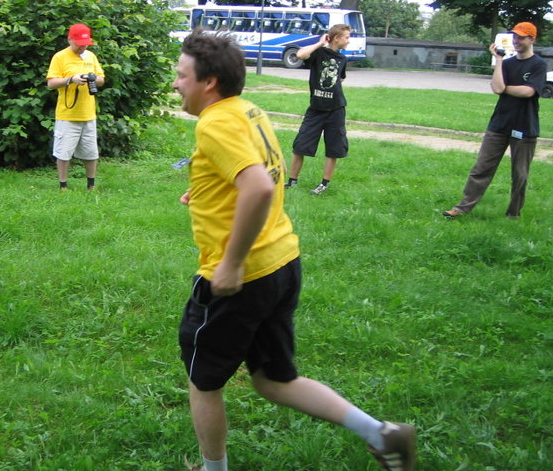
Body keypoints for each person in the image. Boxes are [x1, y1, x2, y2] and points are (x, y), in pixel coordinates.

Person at [174, 28, 416, 471]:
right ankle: (382, 434)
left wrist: (231, 264)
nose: (176, 84)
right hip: (281, 262)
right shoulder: (247, 110)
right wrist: (207, 190)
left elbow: (259, 187)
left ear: (209, 82)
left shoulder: (215, 121)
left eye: (182, 75)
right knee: (273, 379)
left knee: (203, 381)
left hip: (241, 277)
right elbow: (261, 170)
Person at [443, 21, 546, 219]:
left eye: (521, 37)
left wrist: (505, 88)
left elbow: (528, 91)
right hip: (499, 124)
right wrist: (499, 60)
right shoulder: (506, 64)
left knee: (520, 174)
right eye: (514, 37)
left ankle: (513, 214)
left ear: (532, 39)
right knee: (481, 169)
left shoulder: (538, 65)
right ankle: (462, 208)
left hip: (525, 126)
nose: (516, 41)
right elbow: (497, 87)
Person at [284, 24, 351, 195]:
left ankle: (324, 184)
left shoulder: (342, 58)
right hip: (316, 109)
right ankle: (292, 181)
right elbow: (300, 55)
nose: (348, 41)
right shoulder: (318, 53)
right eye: (346, 37)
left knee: (333, 148)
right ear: (337, 38)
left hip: (336, 109)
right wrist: (320, 43)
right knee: (301, 145)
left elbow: (341, 79)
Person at [46, 23, 105, 190]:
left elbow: (101, 80)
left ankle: (91, 185)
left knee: (91, 153)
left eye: (85, 44)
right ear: (69, 39)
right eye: (79, 44)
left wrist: (93, 78)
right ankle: (63, 186)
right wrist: (71, 79)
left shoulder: (91, 56)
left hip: (88, 114)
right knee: (63, 153)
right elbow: (51, 83)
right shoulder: (60, 57)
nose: (82, 47)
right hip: (67, 115)